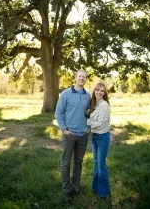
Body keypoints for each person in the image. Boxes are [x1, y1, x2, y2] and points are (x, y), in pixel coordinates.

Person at [55, 70, 91, 203]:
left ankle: (76, 186)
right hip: (70, 134)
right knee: (65, 163)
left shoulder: (88, 95)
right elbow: (58, 112)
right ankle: (66, 190)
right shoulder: (66, 94)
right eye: (79, 76)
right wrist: (64, 129)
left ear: (86, 79)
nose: (81, 78)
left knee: (78, 162)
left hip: (83, 135)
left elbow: (89, 114)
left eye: (84, 77)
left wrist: (89, 128)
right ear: (75, 78)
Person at [87, 82, 111, 198]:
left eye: (102, 91)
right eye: (97, 90)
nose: (99, 92)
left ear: (105, 93)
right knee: (96, 163)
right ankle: (95, 187)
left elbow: (101, 123)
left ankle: (103, 192)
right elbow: (89, 116)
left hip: (103, 137)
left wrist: (88, 124)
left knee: (101, 165)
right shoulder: (94, 103)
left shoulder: (104, 105)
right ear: (94, 91)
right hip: (95, 137)